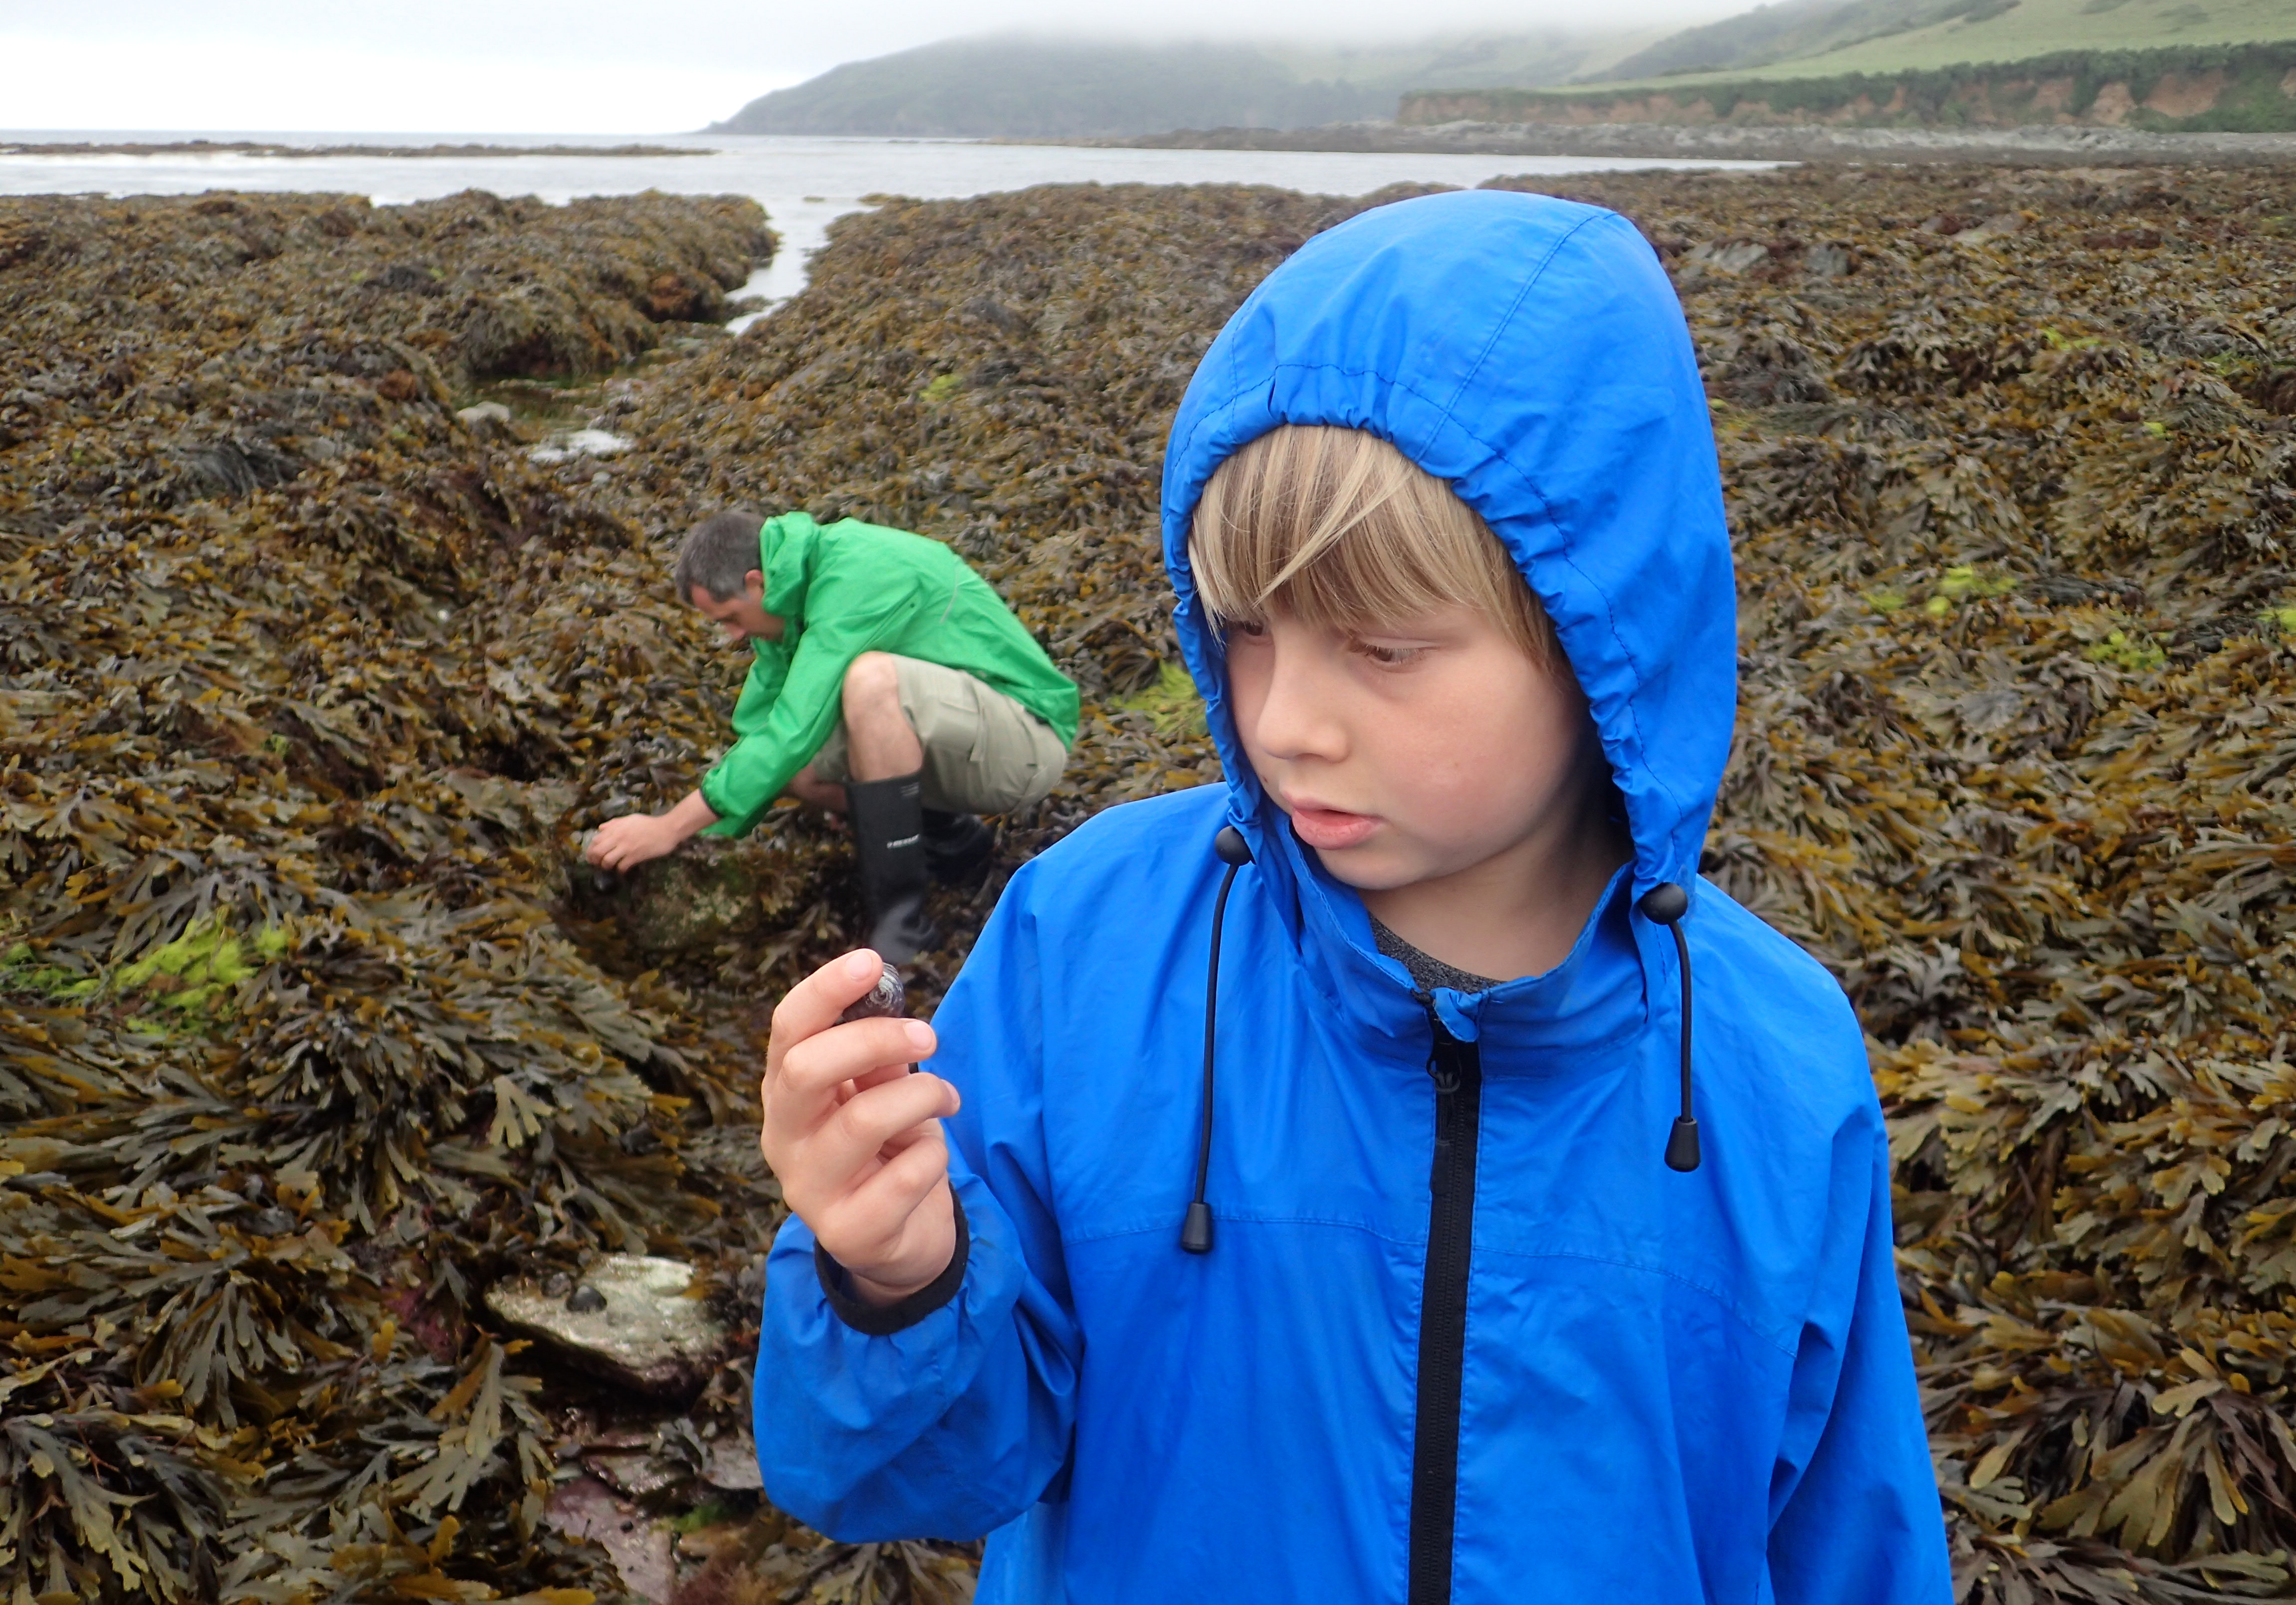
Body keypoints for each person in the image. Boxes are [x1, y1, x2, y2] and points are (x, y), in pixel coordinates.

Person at [748, 191, 1952, 1602]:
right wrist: (893, 1284)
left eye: (1382, 648)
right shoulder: (1085, 945)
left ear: (1600, 642)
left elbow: (1851, 1549)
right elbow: (910, 1475)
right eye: (1246, 634)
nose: (1285, 723)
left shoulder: (1775, 1059)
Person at [586, 509, 1077, 963]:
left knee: (870, 683)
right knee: (797, 767)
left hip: (1026, 742)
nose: (734, 635)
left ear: (756, 583)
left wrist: (670, 826)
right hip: (964, 742)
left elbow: (792, 729)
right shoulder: (788, 608)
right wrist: (690, 836)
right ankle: (953, 842)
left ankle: (902, 925)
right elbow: (763, 739)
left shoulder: (856, 573)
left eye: (731, 619)